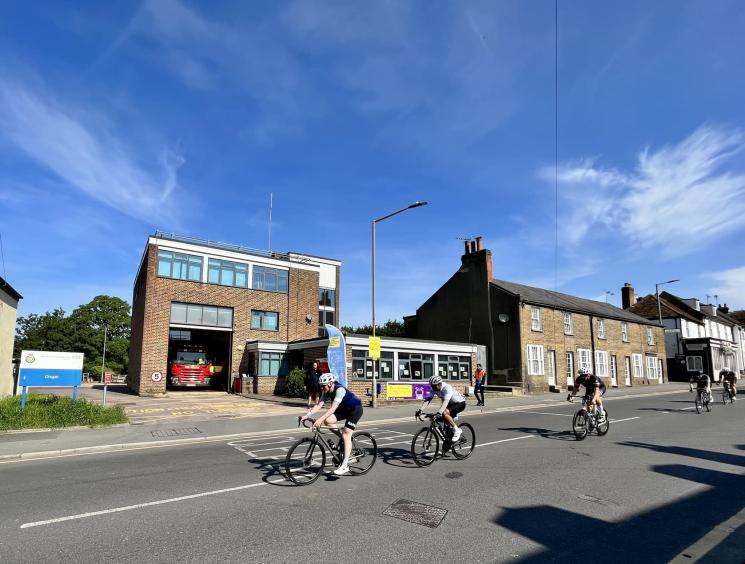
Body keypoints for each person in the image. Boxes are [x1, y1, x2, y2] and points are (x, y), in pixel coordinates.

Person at [301, 373, 363, 476]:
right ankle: (344, 438)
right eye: (321, 385)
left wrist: (320, 419)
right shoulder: (326, 391)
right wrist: (307, 415)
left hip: (355, 409)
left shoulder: (340, 390)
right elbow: (319, 405)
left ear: (330, 383)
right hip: (343, 410)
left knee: (346, 434)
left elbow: (332, 409)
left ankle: (345, 466)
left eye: (323, 385)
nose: (321, 387)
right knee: (328, 421)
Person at [418, 375, 467, 441]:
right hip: (450, 405)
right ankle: (449, 442)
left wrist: (439, 412)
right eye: (431, 386)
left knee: (444, 413)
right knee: (442, 422)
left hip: (460, 403)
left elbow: (445, 402)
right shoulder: (434, 388)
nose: (432, 387)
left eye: (433, 386)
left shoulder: (447, 387)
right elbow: (428, 399)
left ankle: (457, 430)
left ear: (439, 384)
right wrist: (420, 410)